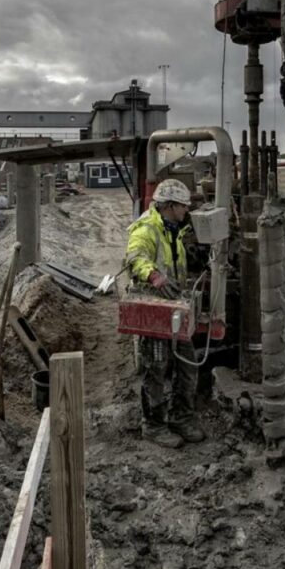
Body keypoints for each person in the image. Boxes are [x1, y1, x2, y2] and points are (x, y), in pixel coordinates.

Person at [124, 178, 205, 448]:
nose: (186, 211)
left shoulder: (174, 229)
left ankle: (182, 417)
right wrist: (154, 276)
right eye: (182, 206)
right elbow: (135, 258)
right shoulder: (147, 228)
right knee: (156, 368)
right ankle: (154, 426)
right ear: (169, 206)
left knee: (187, 364)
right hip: (155, 307)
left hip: (173, 306)